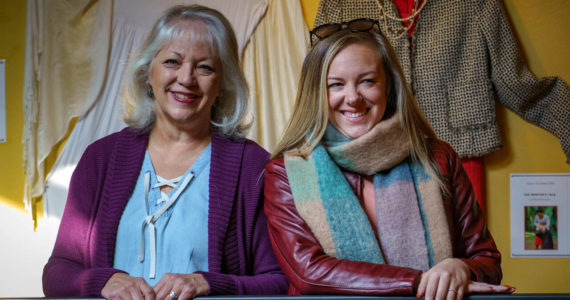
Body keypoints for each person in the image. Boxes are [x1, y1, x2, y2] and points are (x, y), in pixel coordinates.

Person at [42, 5, 288, 299]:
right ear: (148, 73)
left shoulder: (254, 167)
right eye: (172, 61)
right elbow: (57, 274)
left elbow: (281, 281)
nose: (186, 78)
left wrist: (210, 284)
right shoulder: (100, 159)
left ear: (223, 83)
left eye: (205, 67)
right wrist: (101, 281)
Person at [264, 19, 514, 300]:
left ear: (389, 87)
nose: (353, 98)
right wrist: (418, 282)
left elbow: (487, 261)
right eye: (335, 85)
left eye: (367, 81)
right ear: (316, 94)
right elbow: (308, 273)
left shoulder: (439, 159)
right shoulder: (285, 173)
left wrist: (460, 268)